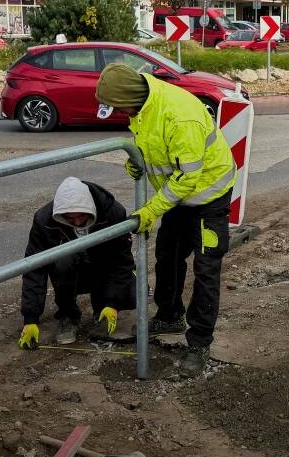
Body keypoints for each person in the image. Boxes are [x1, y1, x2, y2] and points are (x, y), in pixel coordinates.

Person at [94, 63, 236, 376]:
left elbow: (188, 177)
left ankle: (199, 343)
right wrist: (138, 163)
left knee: (206, 268)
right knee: (168, 254)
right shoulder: (142, 107)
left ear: (129, 97)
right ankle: (170, 314)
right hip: (177, 195)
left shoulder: (178, 115)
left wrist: (152, 209)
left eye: (118, 107)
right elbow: (157, 147)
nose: (119, 113)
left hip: (207, 196)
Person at [18, 177, 136, 349]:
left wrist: (113, 303)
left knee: (134, 293)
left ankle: (102, 308)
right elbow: (34, 269)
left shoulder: (112, 213)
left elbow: (121, 261)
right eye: (70, 218)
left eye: (81, 215)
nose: (78, 222)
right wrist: (30, 318)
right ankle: (68, 315)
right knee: (63, 257)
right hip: (68, 273)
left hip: (101, 267)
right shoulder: (44, 221)